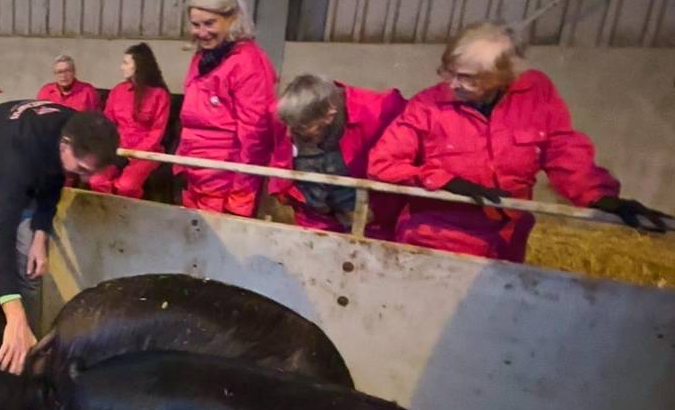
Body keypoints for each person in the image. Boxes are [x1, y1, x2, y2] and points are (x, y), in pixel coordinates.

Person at [368, 22, 668, 261]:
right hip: (436, 238)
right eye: (449, 72)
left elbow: (562, 150)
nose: (453, 84)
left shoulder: (535, 96)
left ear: (501, 78)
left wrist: (600, 197)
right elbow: (382, 163)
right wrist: (445, 181)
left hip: (506, 241)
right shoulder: (428, 105)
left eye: (468, 78)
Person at [0, 101, 119, 374]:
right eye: (82, 170)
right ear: (65, 144)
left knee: (32, 267)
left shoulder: (74, 127)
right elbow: (0, 230)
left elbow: (55, 180)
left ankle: (29, 352)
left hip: (18, 179)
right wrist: (13, 314)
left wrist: (40, 232)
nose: (87, 178)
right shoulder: (21, 153)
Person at [177, 0, 290, 217]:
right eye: (196, 25)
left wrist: (241, 196)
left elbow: (255, 134)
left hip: (224, 180)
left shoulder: (248, 63)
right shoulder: (203, 58)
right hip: (196, 175)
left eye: (210, 23)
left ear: (232, 19)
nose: (202, 32)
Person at [275, 74, 408, 239]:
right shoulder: (295, 116)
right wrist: (283, 191)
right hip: (315, 212)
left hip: (368, 213)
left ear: (329, 115)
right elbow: (280, 154)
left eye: (301, 127)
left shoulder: (380, 111)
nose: (289, 133)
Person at [89, 43, 171, 199]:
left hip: (145, 153)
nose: (122, 67)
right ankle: (108, 214)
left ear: (139, 66)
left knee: (126, 186)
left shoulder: (159, 95)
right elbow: (107, 123)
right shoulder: (118, 91)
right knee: (96, 180)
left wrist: (135, 153)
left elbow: (157, 132)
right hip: (118, 149)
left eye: (126, 63)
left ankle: (128, 218)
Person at [36, 55, 101, 111]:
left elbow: (95, 118)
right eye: (59, 72)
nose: (64, 75)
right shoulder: (45, 92)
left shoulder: (87, 91)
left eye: (67, 71)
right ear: (55, 74)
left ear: (74, 72)